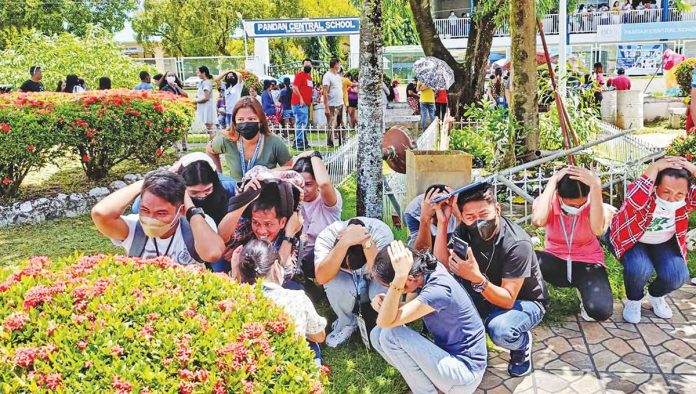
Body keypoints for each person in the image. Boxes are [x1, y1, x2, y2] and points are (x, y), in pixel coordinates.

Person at [434, 183, 549, 377]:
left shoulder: (517, 244)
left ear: (497, 208)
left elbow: (507, 299)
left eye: (484, 214)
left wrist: (475, 277)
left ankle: (521, 344)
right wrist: (443, 223)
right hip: (482, 291)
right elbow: (442, 267)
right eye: (470, 217)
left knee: (500, 330)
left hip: (524, 301)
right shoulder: (465, 230)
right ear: (461, 216)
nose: (478, 222)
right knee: (442, 301)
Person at [371, 241, 487, 393]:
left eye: (390, 286)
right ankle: (425, 382)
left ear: (408, 279)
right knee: (376, 334)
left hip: (466, 374)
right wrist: (385, 302)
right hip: (448, 359)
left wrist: (398, 278)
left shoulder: (437, 290)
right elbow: (404, 309)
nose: (391, 290)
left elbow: (386, 321)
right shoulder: (424, 270)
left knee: (390, 334)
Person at [608, 157, 695, 324]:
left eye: (679, 194)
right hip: (633, 239)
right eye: (666, 191)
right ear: (656, 186)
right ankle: (634, 300)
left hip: (664, 241)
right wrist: (654, 168)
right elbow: (633, 200)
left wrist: (692, 169)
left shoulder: (688, 198)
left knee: (678, 275)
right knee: (640, 268)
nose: (672, 198)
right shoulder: (645, 194)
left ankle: (655, 295)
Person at [91, 170, 225, 266]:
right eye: (145, 210)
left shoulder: (198, 226)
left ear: (181, 210)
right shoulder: (133, 228)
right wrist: (149, 181)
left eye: (161, 213)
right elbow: (101, 214)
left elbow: (212, 253)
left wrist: (191, 210)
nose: (151, 218)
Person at [532, 167, 613, 322]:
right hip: (554, 260)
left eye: (580, 204)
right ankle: (537, 300)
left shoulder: (593, 204)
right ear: (559, 195)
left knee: (601, 311)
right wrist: (552, 183)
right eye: (571, 204)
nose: (576, 208)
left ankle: (584, 292)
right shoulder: (549, 201)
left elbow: (597, 229)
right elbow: (538, 221)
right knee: (527, 258)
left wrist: (595, 187)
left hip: (587, 263)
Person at [131, 153, 237, 272]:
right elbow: (137, 208)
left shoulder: (229, 187)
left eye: (207, 190)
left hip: (220, 238)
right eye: (195, 192)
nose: (202, 196)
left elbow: (243, 221)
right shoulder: (174, 189)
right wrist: (166, 177)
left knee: (219, 269)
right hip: (188, 236)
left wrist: (235, 245)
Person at [237, 239, 327, 365]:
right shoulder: (297, 298)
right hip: (293, 373)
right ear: (275, 266)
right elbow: (319, 336)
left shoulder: (235, 301)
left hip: (250, 371)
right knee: (312, 343)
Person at [314, 217, 394, 347]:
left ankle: (389, 322)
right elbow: (322, 277)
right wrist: (343, 243)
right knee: (333, 281)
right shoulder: (327, 236)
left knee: (386, 281)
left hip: (374, 273)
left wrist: (367, 243)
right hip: (345, 279)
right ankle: (346, 323)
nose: (351, 269)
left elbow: (384, 274)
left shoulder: (381, 233)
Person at [207, 97, 293, 180]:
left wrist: (269, 173)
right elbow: (210, 150)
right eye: (240, 119)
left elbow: (289, 167)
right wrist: (218, 177)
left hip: (265, 192)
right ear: (234, 122)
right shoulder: (226, 139)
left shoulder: (274, 142)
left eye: (251, 119)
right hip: (237, 193)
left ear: (261, 120)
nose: (245, 123)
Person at [293, 152, 342, 279]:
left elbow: (325, 184)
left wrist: (314, 155)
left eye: (308, 184)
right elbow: (265, 172)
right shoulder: (292, 199)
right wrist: (296, 160)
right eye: (300, 184)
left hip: (325, 256)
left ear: (317, 183)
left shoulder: (328, 200)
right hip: (297, 256)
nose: (303, 189)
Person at [404, 185, 460, 252]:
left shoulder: (456, 207)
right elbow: (422, 252)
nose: (438, 207)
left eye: (444, 204)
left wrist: (459, 216)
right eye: (436, 202)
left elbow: (462, 245)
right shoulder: (413, 211)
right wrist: (425, 219)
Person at [292, 59, 314, 150]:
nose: (307, 66)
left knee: (304, 122)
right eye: (306, 65)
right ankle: (299, 142)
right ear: (303, 66)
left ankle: (302, 141)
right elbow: (295, 87)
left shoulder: (310, 78)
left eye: (309, 65)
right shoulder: (300, 75)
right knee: (301, 122)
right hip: (299, 103)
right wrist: (301, 98)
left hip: (306, 104)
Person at [323, 58, 346, 147]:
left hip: (340, 103)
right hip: (332, 105)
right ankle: (330, 143)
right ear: (335, 64)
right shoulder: (327, 76)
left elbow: (340, 90)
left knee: (342, 123)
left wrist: (344, 102)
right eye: (339, 64)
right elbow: (325, 92)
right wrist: (326, 107)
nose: (339, 66)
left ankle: (343, 141)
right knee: (331, 125)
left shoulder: (337, 76)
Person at [195, 66, 217, 139]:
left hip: (207, 107)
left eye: (198, 72)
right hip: (205, 107)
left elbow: (206, 98)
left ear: (203, 73)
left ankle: (213, 144)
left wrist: (195, 102)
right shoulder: (203, 82)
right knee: (209, 128)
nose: (197, 74)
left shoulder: (206, 83)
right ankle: (212, 144)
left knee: (210, 128)